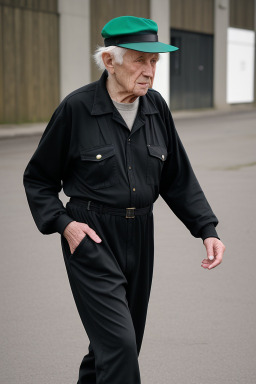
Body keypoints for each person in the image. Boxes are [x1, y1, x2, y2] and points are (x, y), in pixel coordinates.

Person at [23, 15, 225, 384]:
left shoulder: (155, 107)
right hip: (91, 235)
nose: (149, 70)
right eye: (139, 59)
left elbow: (177, 176)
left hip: (140, 233)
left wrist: (206, 228)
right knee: (119, 344)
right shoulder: (77, 109)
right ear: (109, 61)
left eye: (154, 61)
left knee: (117, 343)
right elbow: (38, 179)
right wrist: (65, 225)